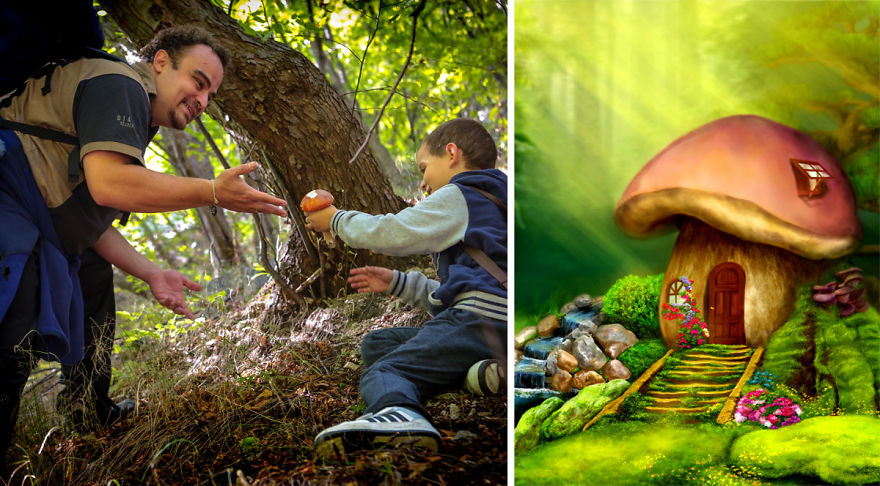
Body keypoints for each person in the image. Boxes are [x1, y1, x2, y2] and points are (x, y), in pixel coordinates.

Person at [0, 25, 287, 462]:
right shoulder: (120, 84)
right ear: (160, 63)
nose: (203, 102)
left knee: (94, 281)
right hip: (8, 201)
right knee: (12, 337)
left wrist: (152, 273)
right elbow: (109, 186)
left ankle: (89, 412)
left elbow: (90, 224)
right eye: (198, 82)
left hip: (38, 214)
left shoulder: (130, 112)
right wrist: (212, 191)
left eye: (211, 96)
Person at [304, 118, 507, 456]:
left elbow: (395, 230)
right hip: (497, 319)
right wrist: (397, 282)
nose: (424, 181)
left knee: (383, 370)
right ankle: (479, 373)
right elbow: (467, 286)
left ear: (452, 153)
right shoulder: (497, 201)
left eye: (425, 167)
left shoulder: (461, 194)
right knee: (377, 344)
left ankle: (402, 415)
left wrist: (337, 220)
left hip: (477, 319)